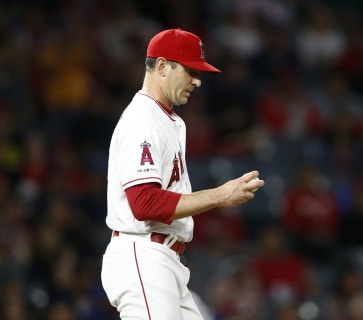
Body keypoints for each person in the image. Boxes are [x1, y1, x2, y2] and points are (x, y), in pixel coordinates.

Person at [100, 28, 264, 320]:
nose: (197, 81)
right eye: (190, 71)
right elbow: (144, 204)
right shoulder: (143, 120)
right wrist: (219, 195)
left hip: (165, 257)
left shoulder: (169, 120)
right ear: (162, 66)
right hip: (143, 253)